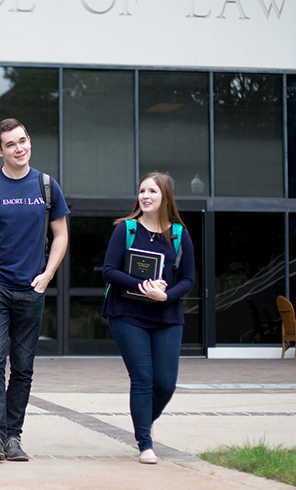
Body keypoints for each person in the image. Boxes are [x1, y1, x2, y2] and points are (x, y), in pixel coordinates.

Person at [0, 118, 69, 461]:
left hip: (32, 288)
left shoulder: (47, 186)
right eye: (10, 144)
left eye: (22, 141)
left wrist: (48, 275)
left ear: (29, 141)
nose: (19, 149)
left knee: (22, 366)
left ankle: (13, 436)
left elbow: (61, 235)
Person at [101, 172, 195, 465]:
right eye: (142, 191)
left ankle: (144, 420)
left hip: (166, 315)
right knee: (143, 378)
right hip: (127, 314)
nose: (146, 196)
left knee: (165, 383)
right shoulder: (126, 229)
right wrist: (142, 286)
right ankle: (145, 442)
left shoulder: (179, 234)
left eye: (152, 191)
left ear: (165, 196)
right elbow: (108, 271)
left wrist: (165, 296)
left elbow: (189, 279)